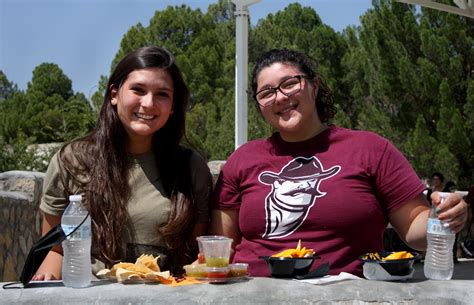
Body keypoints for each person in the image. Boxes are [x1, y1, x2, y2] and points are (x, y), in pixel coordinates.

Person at [209, 48, 468, 277]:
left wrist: (442, 215)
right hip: (256, 294)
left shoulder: (371, 149)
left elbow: (414, 230)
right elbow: (220, 248)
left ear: (314, 85)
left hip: (348, 295)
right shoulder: (242, 159)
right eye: (266, 92)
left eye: (289, 84)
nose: (279, 97)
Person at [33, 46, 213, 280]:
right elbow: (54, 250)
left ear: (172, 107)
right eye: (138, 90)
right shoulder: (71, 161)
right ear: (114, 94)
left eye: (162, 94)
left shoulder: (192, 168)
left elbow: (194, 259)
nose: (148, 103)